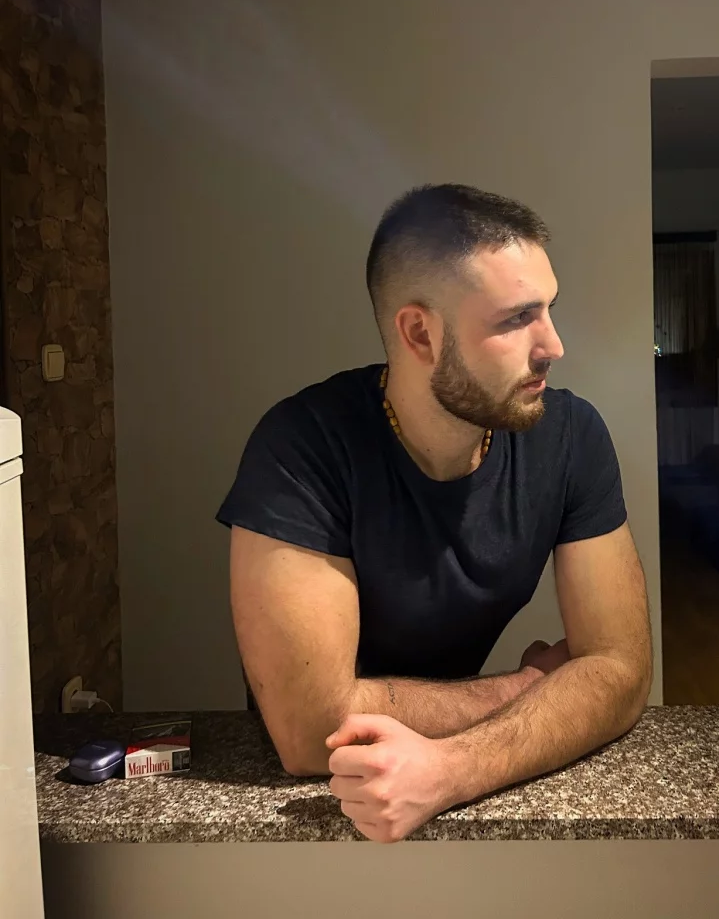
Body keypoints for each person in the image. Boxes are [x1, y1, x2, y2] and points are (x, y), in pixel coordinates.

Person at [217, 183, 651, 843]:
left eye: (549, 310)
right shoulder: (302, 447)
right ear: (420, 333)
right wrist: (530, 687)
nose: (553, 345)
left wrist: (450, 769)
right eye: (516, 319)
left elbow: (621, 670)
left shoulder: (570, 435)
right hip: (314, 811)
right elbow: (309, 734)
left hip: (436, 783)